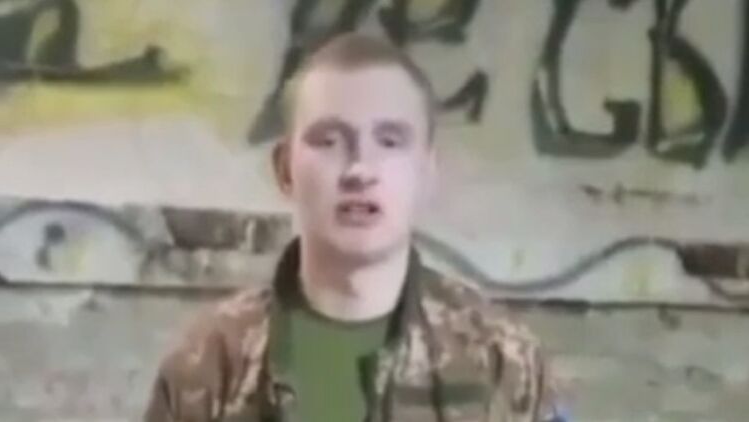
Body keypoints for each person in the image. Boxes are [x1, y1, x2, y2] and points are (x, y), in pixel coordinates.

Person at [145, 32, 563, 422]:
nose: (360, 169)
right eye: (329, 141)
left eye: (390, 141)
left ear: (426, 171)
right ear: (285, 169)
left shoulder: (503, 363)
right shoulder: (209, 365)